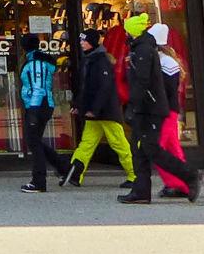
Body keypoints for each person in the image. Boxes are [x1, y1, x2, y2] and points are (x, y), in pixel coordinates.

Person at [118, 15, 200, 205]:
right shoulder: (145, 51)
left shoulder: (147, 53)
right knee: (146, 150)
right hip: (152, 108)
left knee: (153, 149)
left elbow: (144, 83)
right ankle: (145, 190)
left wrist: (135, 104)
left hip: (153, 110)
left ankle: (186, 177)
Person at [64, 26, 134, 188]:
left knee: (118, 143)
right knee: (87, 143)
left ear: (92, 43)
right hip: (96, 112)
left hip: (106, 112)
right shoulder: (91, 59)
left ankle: (134, 174)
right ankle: (74, 173)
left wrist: (92, 109)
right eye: (81, 39)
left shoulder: (100, 61)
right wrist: (79, 106)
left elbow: (104, 88)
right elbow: (86, 88)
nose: (81, 43)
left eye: (84, 40)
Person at [16, 32, 70, 193]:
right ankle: (63, 167)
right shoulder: (39, 60)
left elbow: (38, 88)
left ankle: (39, 180)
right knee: (35, 140)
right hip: (42, 105)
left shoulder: (35, 63)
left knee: (33, 142)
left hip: (37, 105)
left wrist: (32, 110)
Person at [149, 22, 192, 199]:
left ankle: (178, 182)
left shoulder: (164, 62)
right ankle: (182, 184)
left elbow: (164, 90)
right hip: (170, 110)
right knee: (173, 148)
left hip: (164, 111)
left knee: (156, 149)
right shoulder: (169, 61)